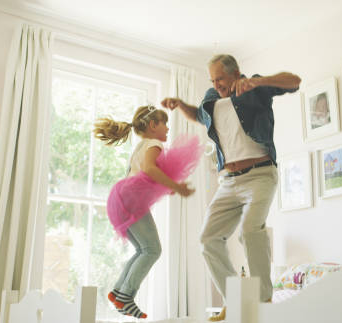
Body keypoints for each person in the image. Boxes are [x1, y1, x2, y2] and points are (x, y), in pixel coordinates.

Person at [162, 54, 301, 321]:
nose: (217, 84)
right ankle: (235, 301)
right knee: (208, 239)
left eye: (221, 79)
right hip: (228, 181)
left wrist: (259, 83)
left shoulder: (254, 87)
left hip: (260, 175)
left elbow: (294, 82)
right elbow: (201, 117)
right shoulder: (211, 98)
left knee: (250, 232)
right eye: (213, 80)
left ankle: (263, 302)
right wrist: (181, 105)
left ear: (236, 72)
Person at [93, 105, 198, 319]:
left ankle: (118, 293)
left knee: (143, 250)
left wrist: (166, 187)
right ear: (152, 125)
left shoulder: (141, 146)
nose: (168, 129)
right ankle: (124, 296)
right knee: (152, 250)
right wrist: (177, 187)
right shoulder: (154, 143)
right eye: (164, 124)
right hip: (131, 200)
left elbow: (144, 176)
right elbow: (150, 169)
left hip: (120, 199)